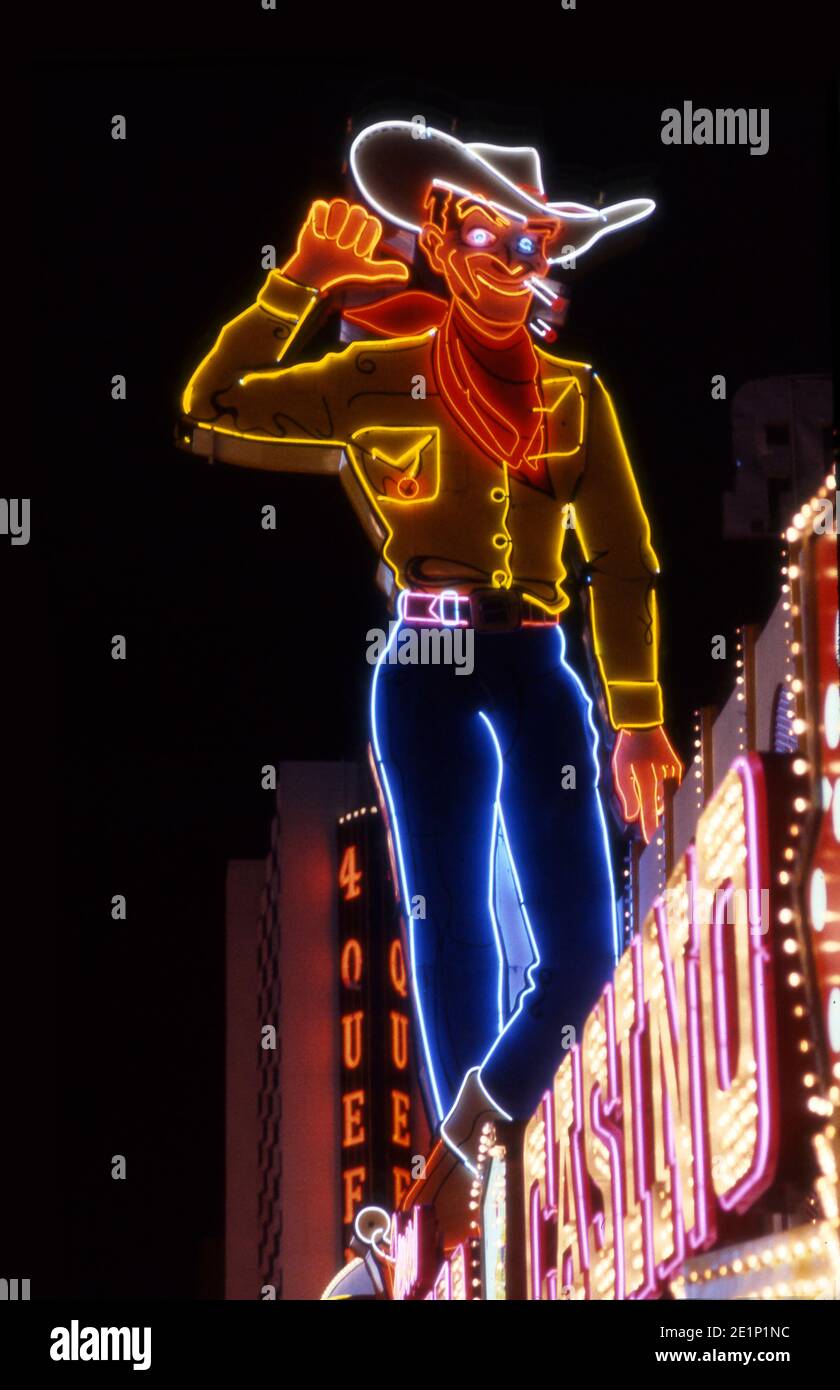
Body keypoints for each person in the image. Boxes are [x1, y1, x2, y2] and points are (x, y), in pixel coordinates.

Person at [180, 120, 682, 1240]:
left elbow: (625, 559)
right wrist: (297, 286)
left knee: (583, 949)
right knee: (447, 922)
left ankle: (472, 1137)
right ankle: (482, 1200)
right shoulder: (380, 374)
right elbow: (210, 405)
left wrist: (639, 716)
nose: (519, 262)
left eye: (537, 243)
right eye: (496, 236)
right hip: (428, 654)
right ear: (444, 242)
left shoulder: (576, 396)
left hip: (538, 657)